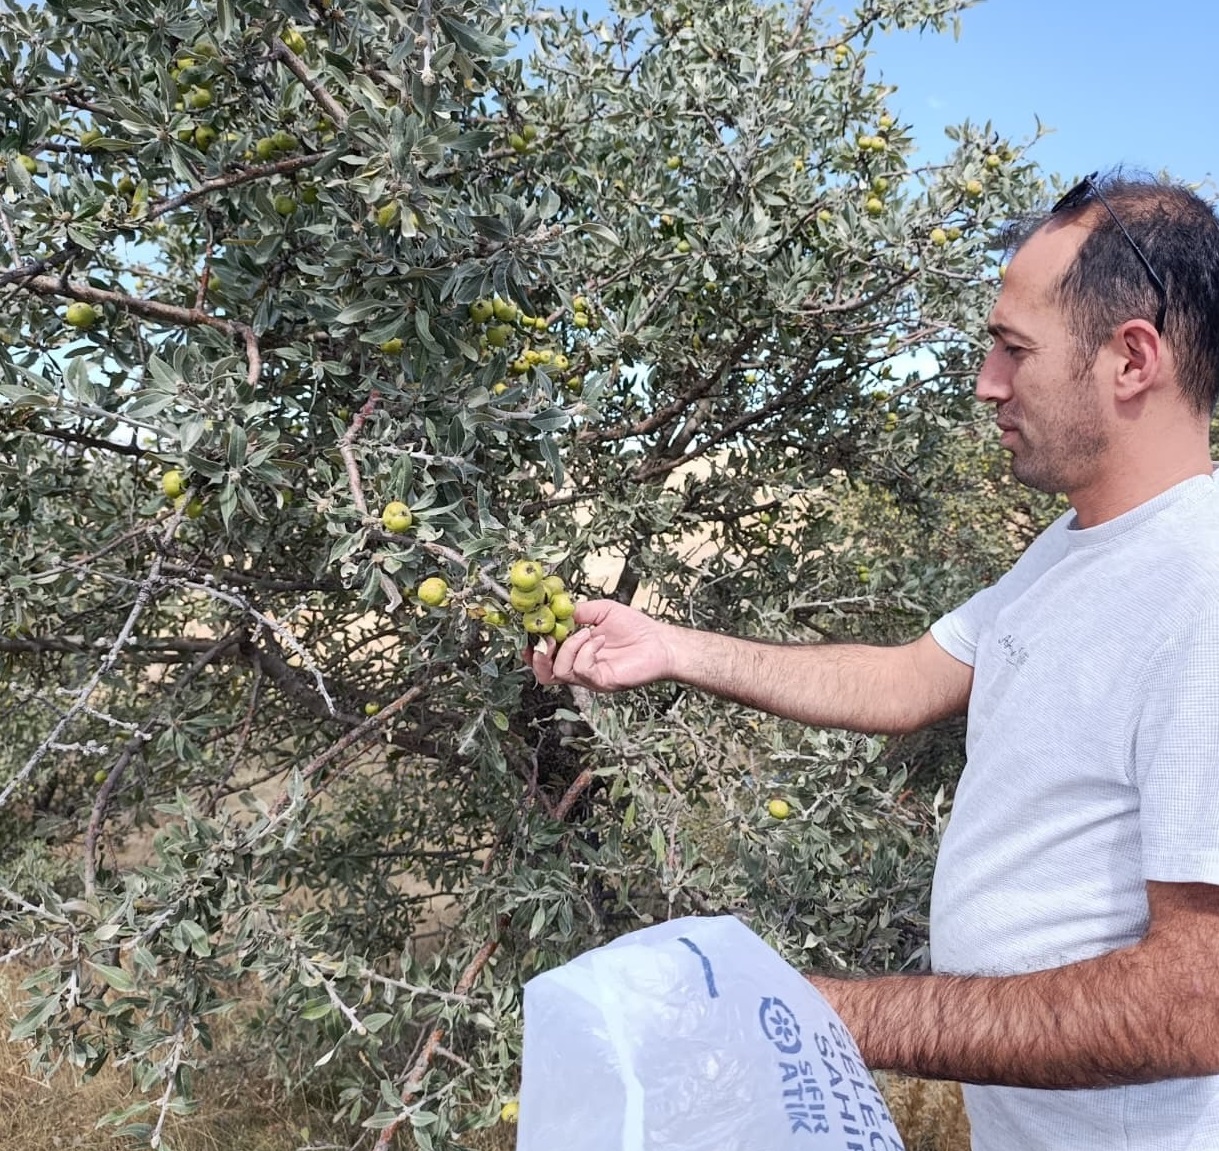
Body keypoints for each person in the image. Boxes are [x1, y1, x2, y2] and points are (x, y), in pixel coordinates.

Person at [527, 171, 1219, 1150]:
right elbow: (904, 679)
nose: (986, 382)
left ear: (1132, 358)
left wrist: (827, 1014)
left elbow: (1197, 1001)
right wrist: (672, 646)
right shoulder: (1073, 548)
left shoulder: (1200, 589)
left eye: (1014, 348)